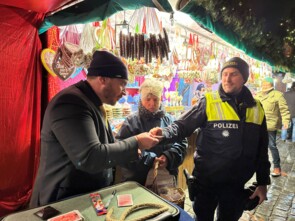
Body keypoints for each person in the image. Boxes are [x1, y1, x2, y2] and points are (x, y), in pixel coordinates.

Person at [30, 50, 160, 207]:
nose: (125, 92)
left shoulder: (92, 103)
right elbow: (89, 157)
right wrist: (137, 142)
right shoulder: (71, 103)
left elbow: (104, 147)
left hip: (82, 199)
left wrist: (137, 145)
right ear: (103, 79)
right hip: (60, 202)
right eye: (122, 84)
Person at [150, 57, 271, 221]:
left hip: (236, 185)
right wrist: (163, 134)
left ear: (244, 77)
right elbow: (182, 126)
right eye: (225, 74)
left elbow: (262, 148)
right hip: (206, 182)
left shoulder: (257, 108)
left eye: (233, 74)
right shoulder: (208, 101)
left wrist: (263, 182)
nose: (227, 79)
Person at [115, 78, 188, 186]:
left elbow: (181, 143)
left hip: (166, 180)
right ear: (141, 99)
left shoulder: (170, 120)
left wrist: (168, 157)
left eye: (155, 99)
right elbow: (122, 149)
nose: (152, 104)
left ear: (160, 99)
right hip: (137, 181)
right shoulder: (131, 122)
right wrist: (150, 160)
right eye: (148, 99)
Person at [256, 77, 290, 177]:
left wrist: (286, 121)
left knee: (272, 145)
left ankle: (277, 167)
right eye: (263, 83)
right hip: (258, 125)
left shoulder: (278, 95)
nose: (264, 85)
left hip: (270, 124)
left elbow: (284, 109)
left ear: (271, 85)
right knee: (259, 146)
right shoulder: (258, 95)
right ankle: (261, 167)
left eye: (267, 84)